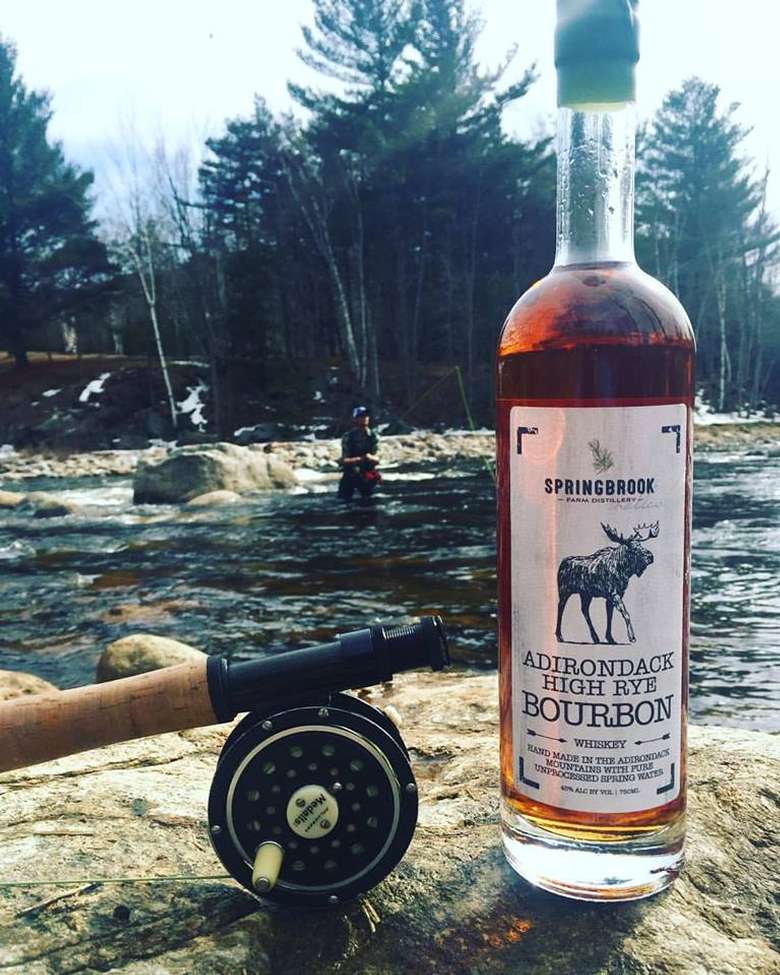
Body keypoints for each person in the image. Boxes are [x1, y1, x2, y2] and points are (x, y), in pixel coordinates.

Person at [338, 406, 381, 501]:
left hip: (367, 474)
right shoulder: (348, 436)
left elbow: (378, 458)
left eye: (366, 416)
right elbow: (344, 460)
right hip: (350, 474)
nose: (365, 418)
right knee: (342, 501)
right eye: (361, 416)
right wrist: (360, 459)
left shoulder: (374, 436)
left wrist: (370, 457)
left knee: (370, 502)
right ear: (355, 419)